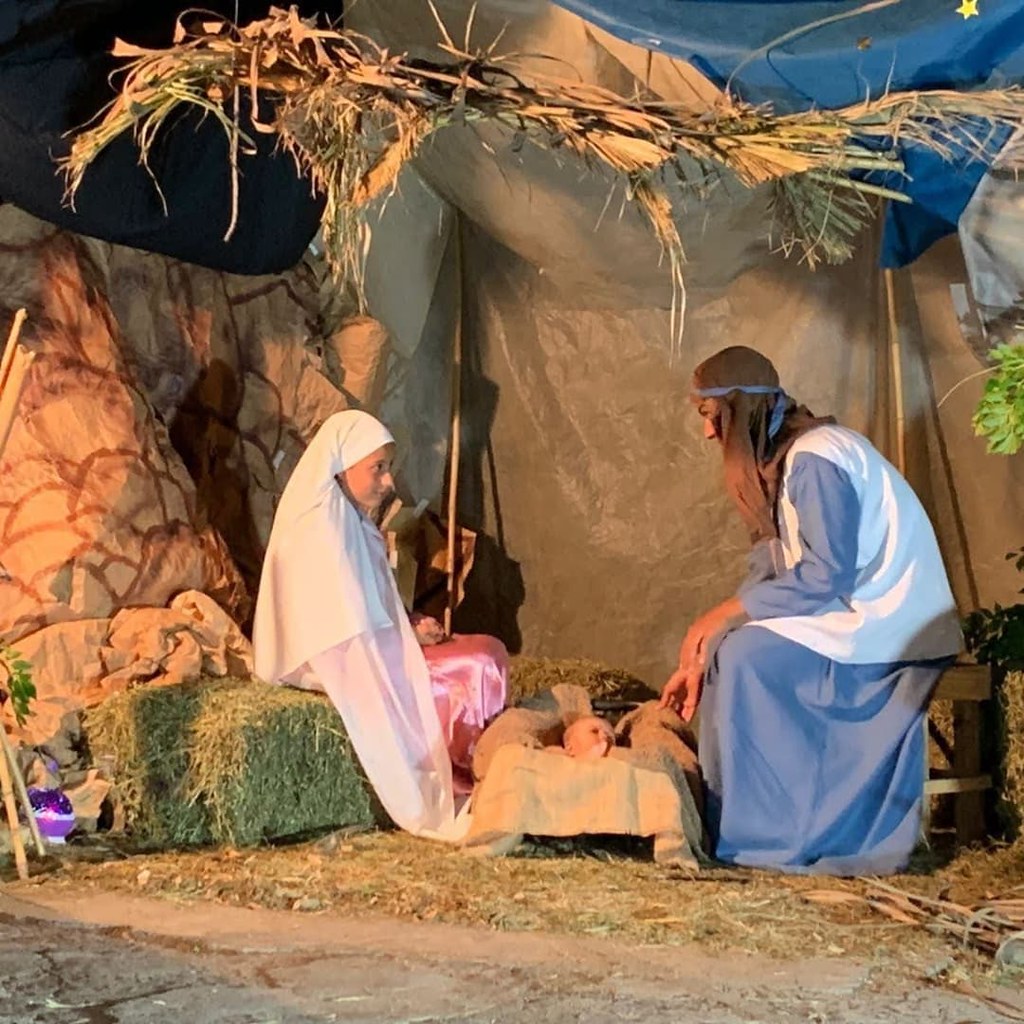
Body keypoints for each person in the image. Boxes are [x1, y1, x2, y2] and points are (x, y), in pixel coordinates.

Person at [659, 346, 962, 875]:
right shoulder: (782, 462)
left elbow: (827, 574)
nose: (708, 434)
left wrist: (723, 618)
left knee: (750, 657)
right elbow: (773, 571)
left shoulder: (817, 457)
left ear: (739, 410)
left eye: (712, 417)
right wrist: (700, 646)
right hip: (846, 612)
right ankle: (736, 827)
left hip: (887, 620)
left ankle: (779, 834)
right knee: (728, 650)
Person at [252, 410, 507, 839]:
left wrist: (409, 626)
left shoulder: (343, 515)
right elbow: (342, 630)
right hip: (341, 659)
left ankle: (482, 777)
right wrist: (405, 643)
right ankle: (462, 782)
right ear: (341, 463)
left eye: (387, 469)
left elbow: (362, 606)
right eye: (378, 468)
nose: (388, 482)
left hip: (371, 645)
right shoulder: (319, 527)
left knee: (486, 650)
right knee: (477, 664)